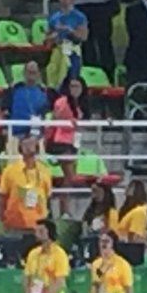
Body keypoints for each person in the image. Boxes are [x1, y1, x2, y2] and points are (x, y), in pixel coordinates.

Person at [46, 76, 89, 216]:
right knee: (70, 177)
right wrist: (71, 121)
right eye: (72, 86)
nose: (75, 90)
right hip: (60, 141)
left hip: (74, 142)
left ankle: (63, 208)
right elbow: (56, 119)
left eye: (78, 86)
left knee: (69, 178)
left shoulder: (82, 103)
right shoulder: (62, 102)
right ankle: (64, 209)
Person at [0, 137, 53, 232]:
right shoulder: (10, 170)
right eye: (25, 144)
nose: (28, 147)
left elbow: (47, 197)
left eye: (31, 143)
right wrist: (2, 221)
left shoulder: (45, 171)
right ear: (20, 148)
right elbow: (2, 197)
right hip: (15, 222)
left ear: (37, 147)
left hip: (39, 224)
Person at [23, 220, 70, 293]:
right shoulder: (33, 253)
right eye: (36, 231)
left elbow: (60, 282)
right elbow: (27, 278)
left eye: (41, 231)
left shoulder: (59, 254)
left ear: (50, 232)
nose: (37, 234)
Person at [0, 61, 50, 148]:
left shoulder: (44, 92)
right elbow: (4, 110)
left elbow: (46, 113)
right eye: (29, 72)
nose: (31, 75)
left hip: (36, 135)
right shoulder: (13, 90)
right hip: (15, 133)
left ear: (38, 74)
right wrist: (5, 128)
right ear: (24, 73)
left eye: (34, 72)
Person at [46, 0, 89, 83]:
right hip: (58, 50)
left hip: (73, 50)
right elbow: (47, 39)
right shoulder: (54, 18)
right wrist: (54, 36)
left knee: (72, 78)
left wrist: (70, 31)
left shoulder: (80, 17)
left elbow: (84, 37)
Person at [76, 0, 118, 79]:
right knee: (87, 44)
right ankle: (91, 77)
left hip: (102, 3)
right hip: (81, 3)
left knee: (103, 43)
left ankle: (108, 76)